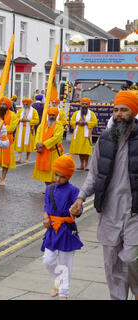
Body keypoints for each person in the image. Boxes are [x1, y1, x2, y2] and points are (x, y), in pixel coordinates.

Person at [70, 90, 138, 300]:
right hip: (109, 211)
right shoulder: (105, 139)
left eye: (124, 110)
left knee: (130, 258)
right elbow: (95, 174)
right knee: (111, 263)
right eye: (116, 110)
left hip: (135, 211)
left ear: (133, 112)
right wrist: (81, 198)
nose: (118, 114)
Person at [41, 155, 83, 300]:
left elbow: (78, 209)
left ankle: (64, 294)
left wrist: (75, 211)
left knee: (66, 264)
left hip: (66, 229)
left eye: (62, 176)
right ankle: (58, 280)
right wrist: (45, 216)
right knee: (48, 260)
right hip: (52, 229)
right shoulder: (50, 189)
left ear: (69, 176)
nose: (58, 179)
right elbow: (46, 206)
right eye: (56, 175)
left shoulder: (74, 190)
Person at [32, 107, 64, 188]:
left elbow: (56, 138)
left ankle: (54, 188)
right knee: (45, 173)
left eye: (53, 115)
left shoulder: (59, 126)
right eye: (50, 115)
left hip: (53, 152)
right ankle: (48, 188)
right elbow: (38, 135)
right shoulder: (42, 125)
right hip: (43, 151)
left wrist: (43, 144)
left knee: (54, 172)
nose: (51, 117)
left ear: (56, 116)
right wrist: (37, 145)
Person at [69, 98, 98, 171]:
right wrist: (77, 122)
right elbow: (71, 121)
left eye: (86, 104)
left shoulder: (91, 114)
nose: (84, 105)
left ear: (88, 105)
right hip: (78, 134)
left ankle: (86, 165)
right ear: (81, 105)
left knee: (86, 150)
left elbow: (95, 123)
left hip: (86, 135)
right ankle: (81, 164)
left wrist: (86, 123)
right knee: (80, 151)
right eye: (83, 104)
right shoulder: (76, 113)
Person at [0, 97, 19, 186]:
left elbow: (12, 128)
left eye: (4, 104)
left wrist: (0, 129)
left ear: (8, 105)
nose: (2, 106)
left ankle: (3, 179)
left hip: (8, 140)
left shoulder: (13, 115)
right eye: (1, 104)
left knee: (6, 161)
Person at [15, 98, 39, 164]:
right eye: (24, 104)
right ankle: (19, 158)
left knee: (29, 144)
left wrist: (28, 120)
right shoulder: (20, 111)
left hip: (29, 130)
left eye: (26, 104)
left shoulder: (34, 111)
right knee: (19, 143)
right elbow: (15, 118)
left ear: (29, 104)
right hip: (20, 129)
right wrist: (20, 120)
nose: (25, 105)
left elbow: (37, 120)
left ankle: (27, 158)